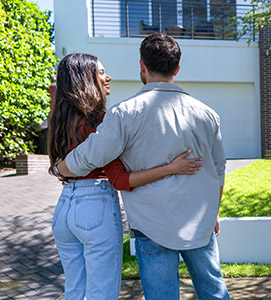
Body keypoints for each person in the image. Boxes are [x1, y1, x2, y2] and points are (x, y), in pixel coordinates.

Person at [56, 33, 230, 299]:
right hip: (199, 225)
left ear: (142, 66)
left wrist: (60, 169)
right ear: (177, 69)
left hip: (152, 227)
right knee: (214, 292)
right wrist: (215, 212)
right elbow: (219, 169)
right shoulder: (208, 114)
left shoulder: (124, 114)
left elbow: (89, 156)